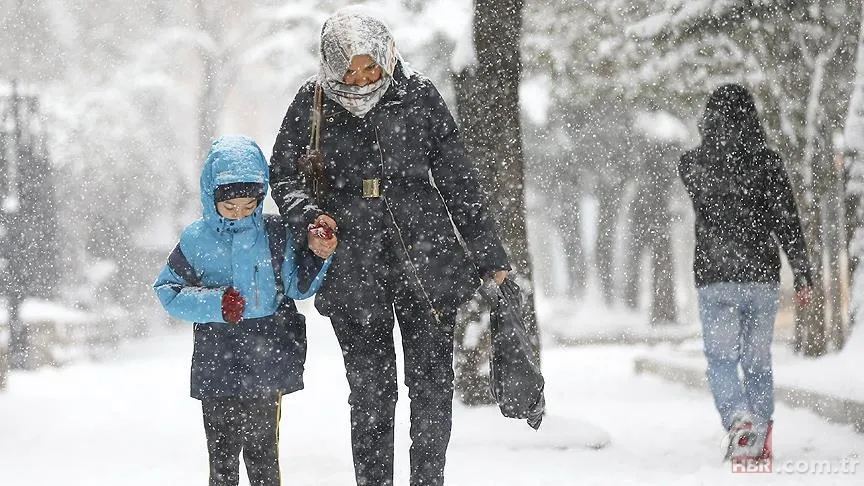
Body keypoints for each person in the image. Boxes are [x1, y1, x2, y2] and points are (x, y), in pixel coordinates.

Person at [269, 8, 510, 486]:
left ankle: (428, 479)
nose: (360, 79)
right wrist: (310, 217)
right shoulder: (311, 103)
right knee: (371, 392)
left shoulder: (418, 96)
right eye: (349, 69)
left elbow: (459, 179)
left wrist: (490, 256)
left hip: (427, 259)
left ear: (385, 54)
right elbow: (285, 174)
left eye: (369, 66)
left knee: (431, 386)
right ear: (330, 65)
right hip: (352, 264)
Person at [154, 134, 335, 486]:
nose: (240, 214)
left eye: (250, 205)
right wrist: (216, 303)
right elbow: (168, 291)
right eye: (230, 207)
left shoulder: (274, 232)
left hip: (266, 354)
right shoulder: (196, 239)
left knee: (263, 453)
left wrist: (318, 256)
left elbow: (296, 287)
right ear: (211, 197)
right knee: (222, 458)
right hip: (216, 355)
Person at [678, 84, 813, 460]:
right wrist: (802, 273)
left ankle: (740, 423)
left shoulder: (692, 165)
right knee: (757, 363)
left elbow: (706, 186)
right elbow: (787, 221)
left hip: (715, 276)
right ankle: (757, 445)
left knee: (721, 361)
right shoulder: (768, 164)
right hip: (760, 278)